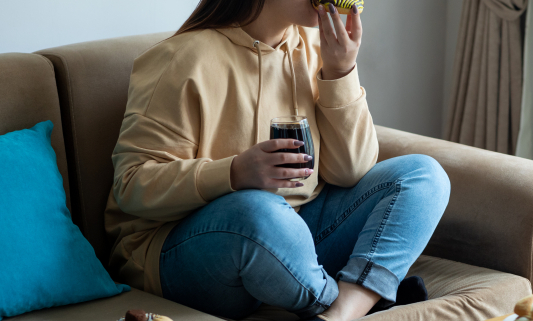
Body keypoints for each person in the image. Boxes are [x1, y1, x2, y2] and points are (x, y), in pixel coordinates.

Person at [104, 0, 451, 320]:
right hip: (188, 251)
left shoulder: (316, 49)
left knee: (423, 175)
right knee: (258, 212)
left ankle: (341, 313)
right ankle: (365, 301)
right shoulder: (182, 60)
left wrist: (341, 72)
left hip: (295, 239)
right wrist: (234, 173)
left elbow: (350, 172)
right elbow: (132, 185)